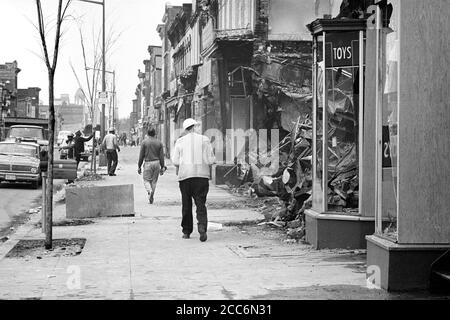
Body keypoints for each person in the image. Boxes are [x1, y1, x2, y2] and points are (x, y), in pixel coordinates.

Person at [171, 118, 215, 242]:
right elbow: (211, 160)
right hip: (202, 177)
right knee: (200, 203)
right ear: (194, 127)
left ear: (185, 129)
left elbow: (175, 161)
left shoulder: (180, 141)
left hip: (185, 177)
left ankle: (186, 231)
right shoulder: (205, 140)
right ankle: (202, 228)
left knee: (186, 204)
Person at [137, 128, 166, 204]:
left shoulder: (144, 142)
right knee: (154, 181)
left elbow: (141, 155)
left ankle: (149, 191)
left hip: (148, 163)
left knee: (146, 180)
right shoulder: (159, 143)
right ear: (154, 133)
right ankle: (151, 194)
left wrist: (139, 166)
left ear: (147, 134)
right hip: (157, 163)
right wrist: (162, 166)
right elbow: (161, 156)